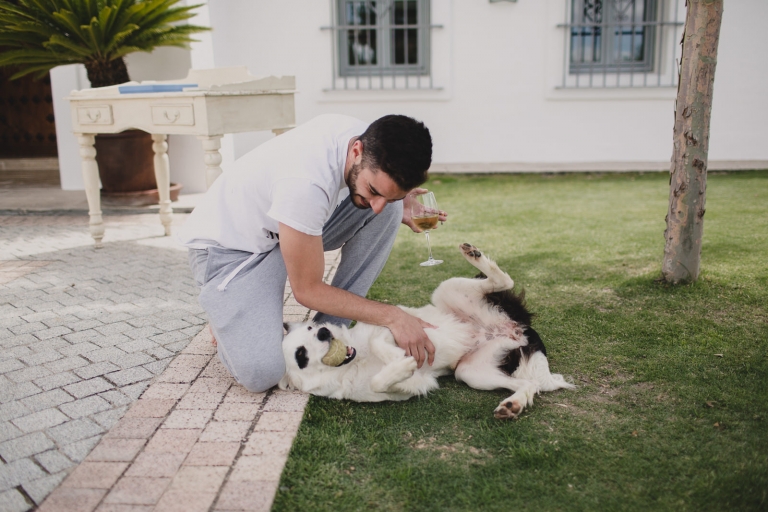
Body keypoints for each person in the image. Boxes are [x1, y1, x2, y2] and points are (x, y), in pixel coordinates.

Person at [179, 114, 447, 393]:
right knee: (262, 373)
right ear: (357, 152)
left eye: (389, 195)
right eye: (373, 190)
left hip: (278, 234)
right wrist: (393, 316)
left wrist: (395, 201)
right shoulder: (305, 184)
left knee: (388, 213)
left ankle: (330, 329)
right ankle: (226, 318)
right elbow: (307, 290)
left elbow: (380, 198)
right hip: (231, 254)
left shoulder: (366, 140)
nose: (377, 204)